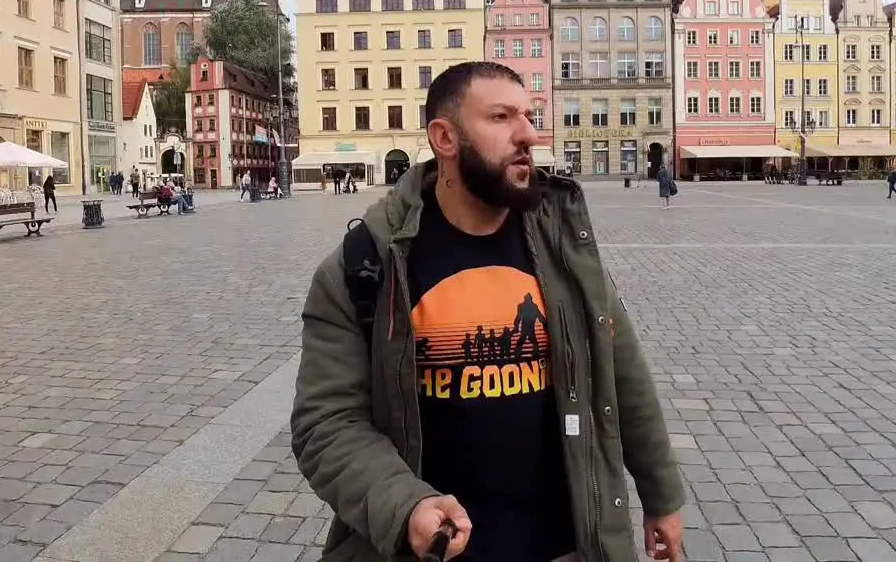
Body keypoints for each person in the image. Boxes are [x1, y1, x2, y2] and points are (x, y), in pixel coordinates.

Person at [291, 61, 685, 562]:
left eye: (528, 115)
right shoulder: (366, 264)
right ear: (445, 138)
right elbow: (325, 423)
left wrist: (662, 496)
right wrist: (406, 505)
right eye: (501, 118)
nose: (529, 135)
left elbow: (623, 372)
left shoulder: (564, 250)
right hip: (435, 551)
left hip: (568, 546)